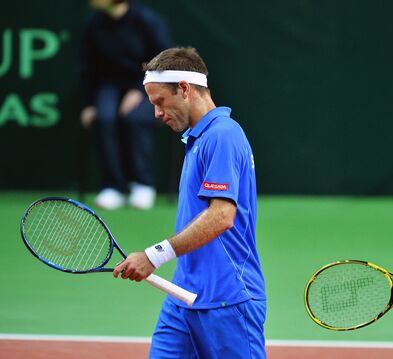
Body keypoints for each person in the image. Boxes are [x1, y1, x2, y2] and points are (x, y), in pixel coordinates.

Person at [112, 47, 267, 358]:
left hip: (227, 298)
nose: (156, 113)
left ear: (184, 88)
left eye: (160, 102)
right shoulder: (199, 138)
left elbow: (221, 216)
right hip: (184, 295)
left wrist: (154, 256)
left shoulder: (222, 136)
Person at [80, 0, 171, 210]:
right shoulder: (94, 23)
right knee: (104, 117)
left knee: (135, 118)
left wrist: (140, 90)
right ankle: (114, 186)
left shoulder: (147, 21)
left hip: (148, 86)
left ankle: (143, 184)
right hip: (108, 85)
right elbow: (87, 66)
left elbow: (163, 61)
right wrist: (88, 103)